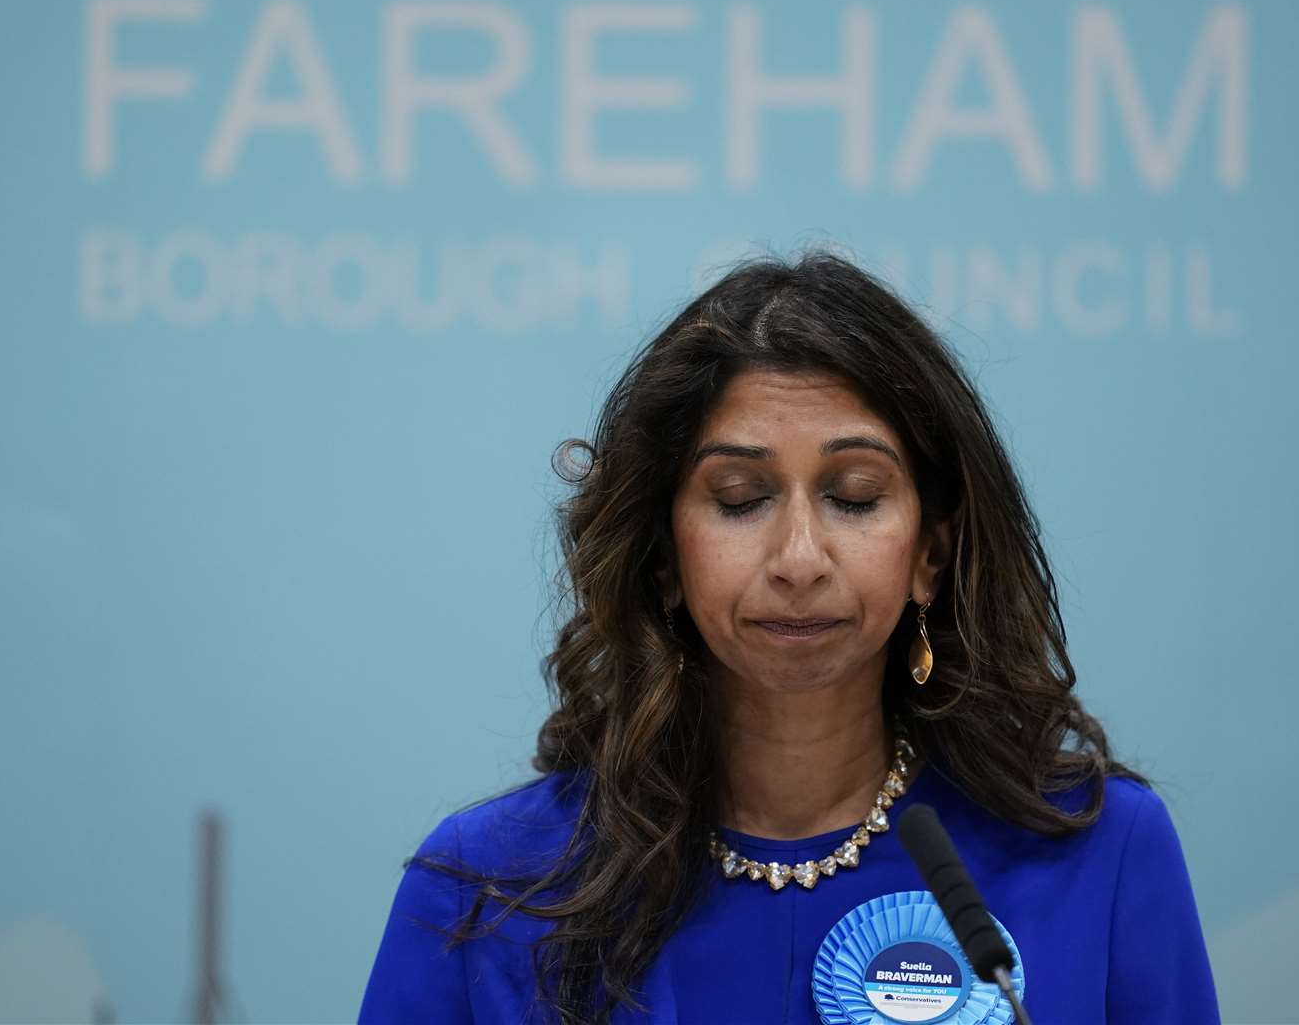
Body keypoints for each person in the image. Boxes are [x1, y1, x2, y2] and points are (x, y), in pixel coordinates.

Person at [358, 251, 1219, 1024]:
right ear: (663, 557)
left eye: (852, 494)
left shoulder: (1099, 854)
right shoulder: (491, 889)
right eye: (739, 498)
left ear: (930, 552)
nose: (799, 559)